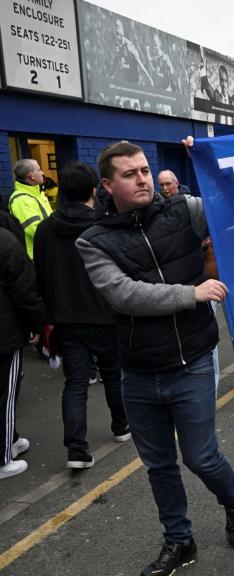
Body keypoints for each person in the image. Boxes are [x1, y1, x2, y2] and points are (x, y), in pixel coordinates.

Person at [76, 142, 234, 576]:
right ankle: (179, 539)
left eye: (145, 170)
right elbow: (124, 294)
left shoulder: (183, 210)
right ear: (107, 185)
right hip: (136, 371)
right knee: (159, 466)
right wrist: (192, 294)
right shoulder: (92, 241)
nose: (142, 179)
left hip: (191, 360)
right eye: (130, 174)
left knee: (201, 456)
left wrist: (211, 159)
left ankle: (233, 497)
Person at [33, 162, 130, 470]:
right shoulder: (104, 224)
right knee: (113, 375)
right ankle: (121, 426)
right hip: (105, 313)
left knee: (75, 382)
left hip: (65, 317)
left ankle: (76, 448)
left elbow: (41, 273)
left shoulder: (46, 228)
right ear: (93, 190)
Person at [0, 224, 45, 480]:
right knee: (6, 392)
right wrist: (35, 324)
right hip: (4, 331)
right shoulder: (5, 241)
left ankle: (11, 439)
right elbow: (24, 289)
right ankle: (3, 457)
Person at [9, 159, 53, 259]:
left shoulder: (38, 194)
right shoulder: (21, 199)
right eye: (39, 170)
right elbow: (34, 230)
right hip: (35, 257)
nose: (43, 173)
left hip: (45, 252)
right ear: (31, 175)